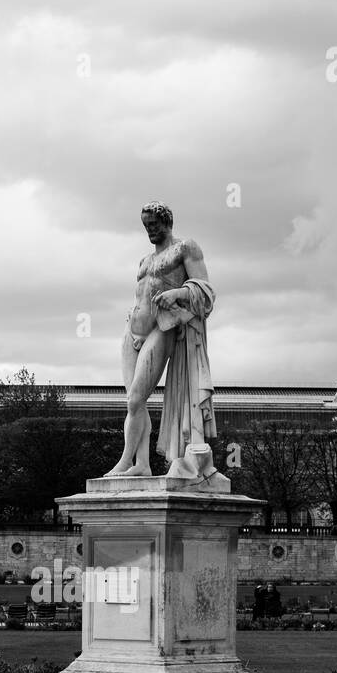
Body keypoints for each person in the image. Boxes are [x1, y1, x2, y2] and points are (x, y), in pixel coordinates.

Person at [104, 201, 216, 477]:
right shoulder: (144, 261)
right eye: (146, 226)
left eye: (153, 225)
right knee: (134, 401)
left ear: (167, 222)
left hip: (161, 329)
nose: (150, 230)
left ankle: (125, 461)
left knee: (134, 401)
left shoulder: (185, 248)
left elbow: (206, 291)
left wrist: (177, 294)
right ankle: (141, 464)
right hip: (132, 332)